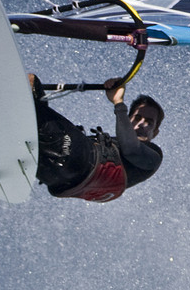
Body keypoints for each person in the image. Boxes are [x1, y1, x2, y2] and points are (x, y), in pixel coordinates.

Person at [30, 75, 164, 202]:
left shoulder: (153, 157)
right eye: (138, 118)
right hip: (58, 179)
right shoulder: (118, 143)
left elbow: (131, 149)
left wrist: (118, 102)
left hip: (81, 162)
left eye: (149, 122)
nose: (141, 124)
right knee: (35, 99)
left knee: (31, 86)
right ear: (129, 121)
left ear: (155, 133)